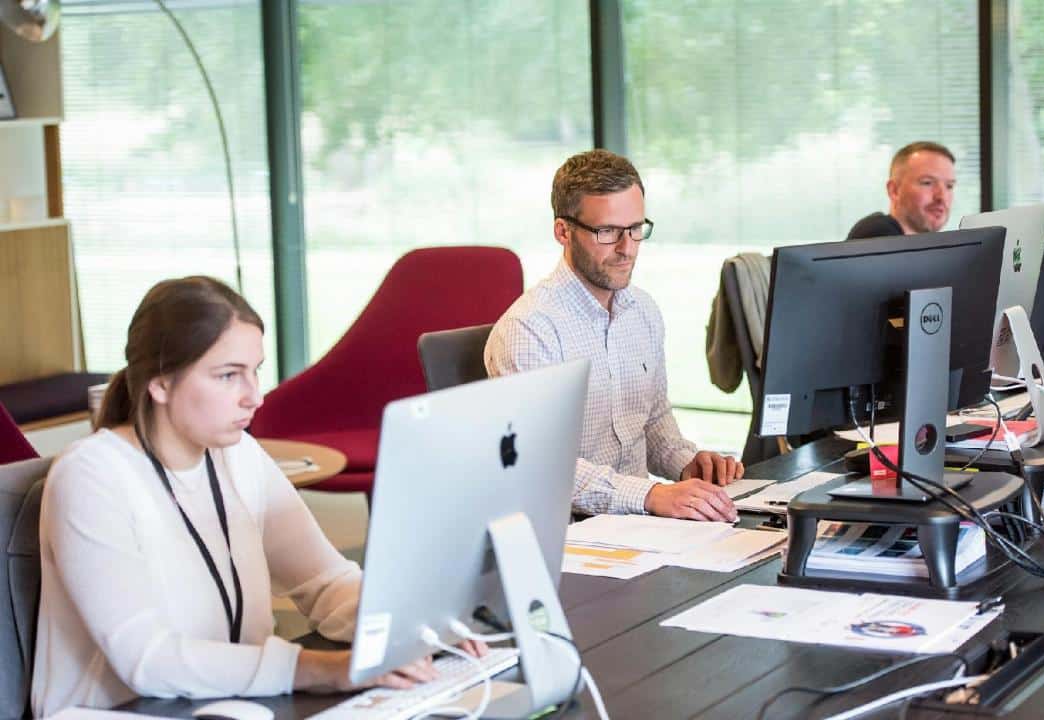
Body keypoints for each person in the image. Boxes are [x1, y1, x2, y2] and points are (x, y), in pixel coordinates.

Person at [32, 276, 481, 717]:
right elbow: (148, 660)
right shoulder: (91, 476)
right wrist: (327, 670)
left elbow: (326, 583)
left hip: (234, 705)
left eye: (255, 372)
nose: (254, 397)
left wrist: (418, 628)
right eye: (228, 376)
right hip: (126, 710)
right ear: (160, 383)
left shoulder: (237, 455)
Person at [485, 149, 744, 522]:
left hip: (640, 526)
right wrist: (652, 494)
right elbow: (542, 464)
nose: (627, 248)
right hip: (572, 535)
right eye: (607, 232)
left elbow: (652, 422)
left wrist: (689, 465)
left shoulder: (643, 312)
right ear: (563, 231)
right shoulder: (529, 330)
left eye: (636, 229)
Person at [847, 141, 956, 239]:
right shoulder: (876, 234)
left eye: (949, 186)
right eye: (927, 183)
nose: (942, 197)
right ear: (894, 190)